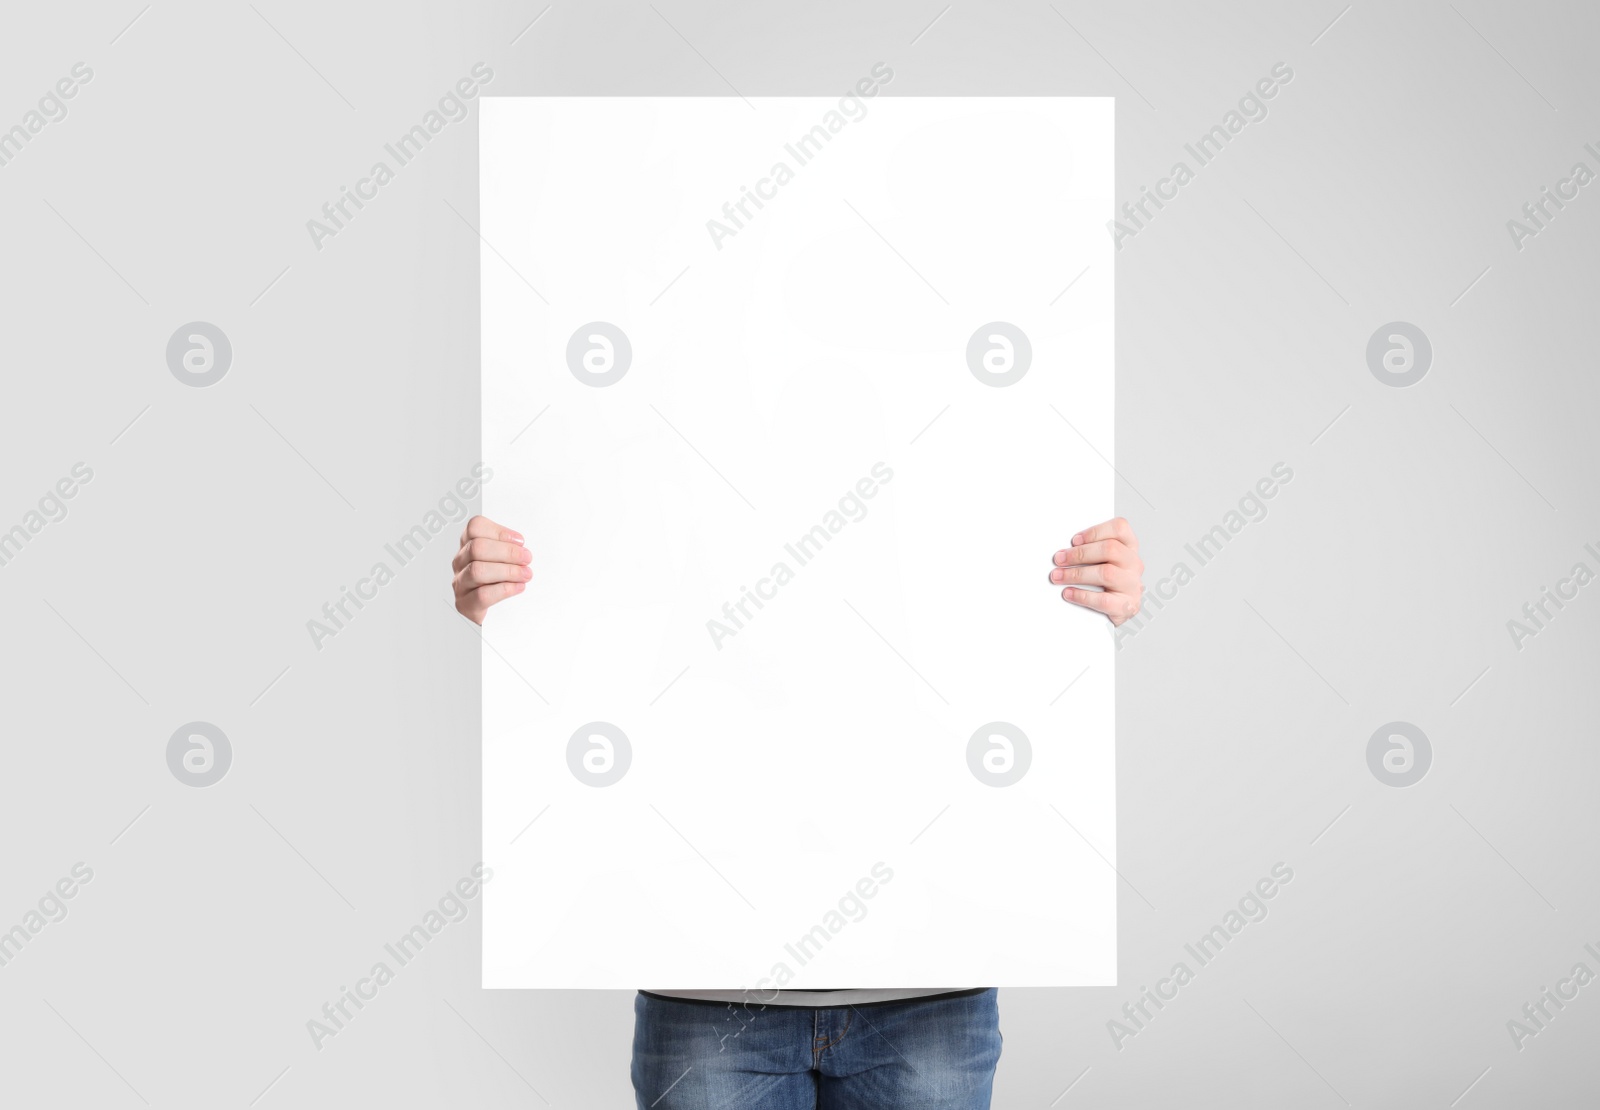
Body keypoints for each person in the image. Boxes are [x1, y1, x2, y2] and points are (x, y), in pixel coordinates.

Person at [453, 513, 1145, 1109]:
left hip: (933, 992)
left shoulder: (954, 535)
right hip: (704, 988)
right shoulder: (665, 517)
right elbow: (601, 667)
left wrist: (1097, 596)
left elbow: (1003, 664)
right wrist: (519, 608)